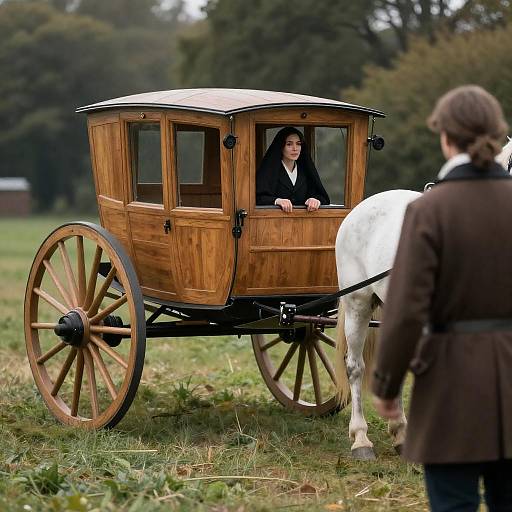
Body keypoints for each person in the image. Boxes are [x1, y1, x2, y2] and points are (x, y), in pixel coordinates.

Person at [371, 85, 512, 512]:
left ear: (445, 137)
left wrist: (388, 387)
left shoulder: (429, 211)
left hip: (450, 389)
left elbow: (405, 311)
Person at [256, 126, 330, 212]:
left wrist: (315, 200)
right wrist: (277, 201)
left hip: (304, 222)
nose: (295, 148)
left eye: (298, 144)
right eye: (289, 144)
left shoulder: (306, 170)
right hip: (275, 223)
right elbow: (258, 198)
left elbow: (322, 196)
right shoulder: (269, 171)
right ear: (281, 146)